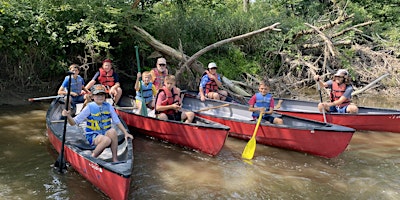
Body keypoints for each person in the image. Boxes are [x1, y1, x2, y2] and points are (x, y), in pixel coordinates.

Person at [62, 84, 133, 162]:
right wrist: (68, 116)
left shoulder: (109, 106)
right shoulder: (89, 107)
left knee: (112, 131)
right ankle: (92, 157)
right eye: (97, 95)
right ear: (92, 97)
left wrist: (125, 133)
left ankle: (115, 159)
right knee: (106, 140)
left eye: (102, 95)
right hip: (93, 135)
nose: (100, 97)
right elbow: (74, 122)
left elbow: (117, 121)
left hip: (105, 132)